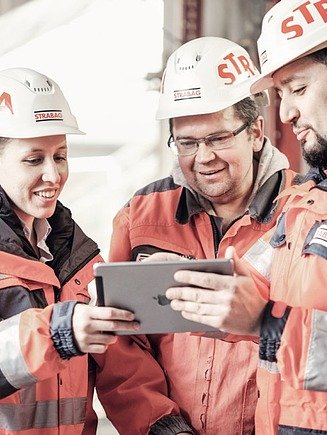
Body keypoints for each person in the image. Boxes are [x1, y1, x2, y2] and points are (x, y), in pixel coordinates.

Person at [88, 37, 296, 434]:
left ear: (254, 131)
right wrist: (161, 425)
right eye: (187, 142)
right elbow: (119, 342)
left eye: (218, 138)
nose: (203, 158)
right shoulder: (143, 215)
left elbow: (310, 338)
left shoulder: (305, 215)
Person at [165, 1, 327, 434]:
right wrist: (184, 278)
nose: (286, 113)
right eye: (281, 95)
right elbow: (256, 279)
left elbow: (264, 310)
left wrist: (267, 322)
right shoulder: (306, 203)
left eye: (298, 89)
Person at [0, 67, 139, 434]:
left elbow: (123, 368)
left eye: (60, 156)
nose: (53, 175)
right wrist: (58, 333)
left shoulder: (81, 257)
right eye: (34, 160)